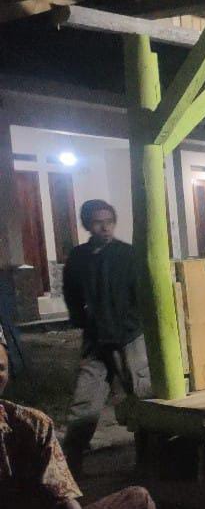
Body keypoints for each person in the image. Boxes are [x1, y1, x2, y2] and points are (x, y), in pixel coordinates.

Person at [0, 328, 156, 509]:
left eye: (1, 368)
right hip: (104, 333)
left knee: (138, 499)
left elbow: (63, 498)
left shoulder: (32, 425)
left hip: (119, 332)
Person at [61, 200, 151, 476]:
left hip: (129, 338)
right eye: (98, 222)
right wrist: (83, 320)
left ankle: (148, 459)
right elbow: (71, 293)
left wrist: (134, 323)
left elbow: (142, 293)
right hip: (97, 340)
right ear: (87, 224)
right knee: (84, 403)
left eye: (109, 221)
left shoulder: (127, 254)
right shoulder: (79, 257)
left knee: (142, 399)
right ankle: (70, 468)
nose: (105, 227)